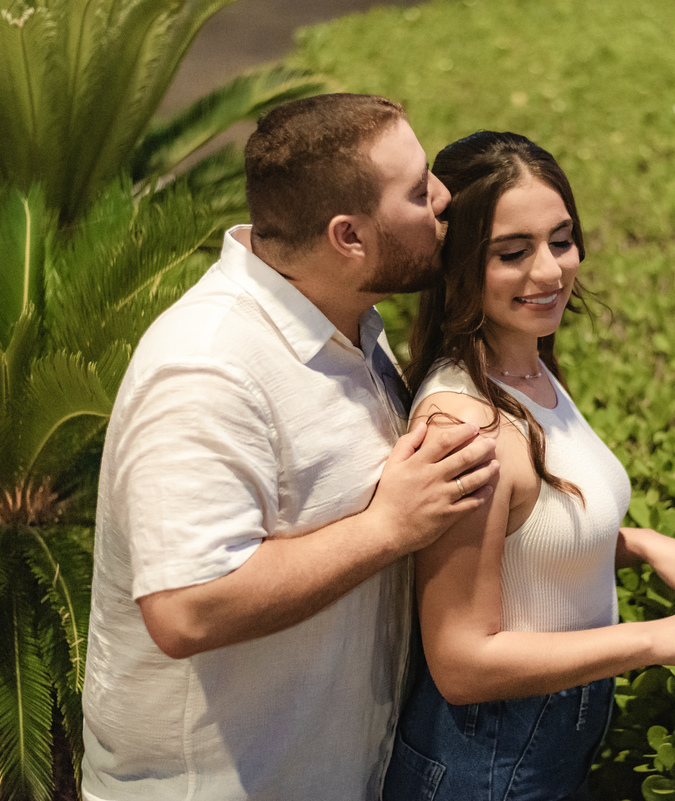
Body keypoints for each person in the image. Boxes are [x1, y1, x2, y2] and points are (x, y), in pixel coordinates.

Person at [80, 94, 499, 801]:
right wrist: (387, 527)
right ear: (349, 237)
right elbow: (186, 607)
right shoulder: (208, 368)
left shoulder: (347, 321)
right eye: (418, 187)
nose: (443, 197)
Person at [382, 131, 675, 801]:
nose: (550, 271)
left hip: (542, 741)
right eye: (512, 253)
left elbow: (524, 539)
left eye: (561, 239)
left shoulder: (527, 365)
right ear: (460, 263)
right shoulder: (466, 424)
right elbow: (461, 661)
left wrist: (636, 544)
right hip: (486, 759)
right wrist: (657, 638)